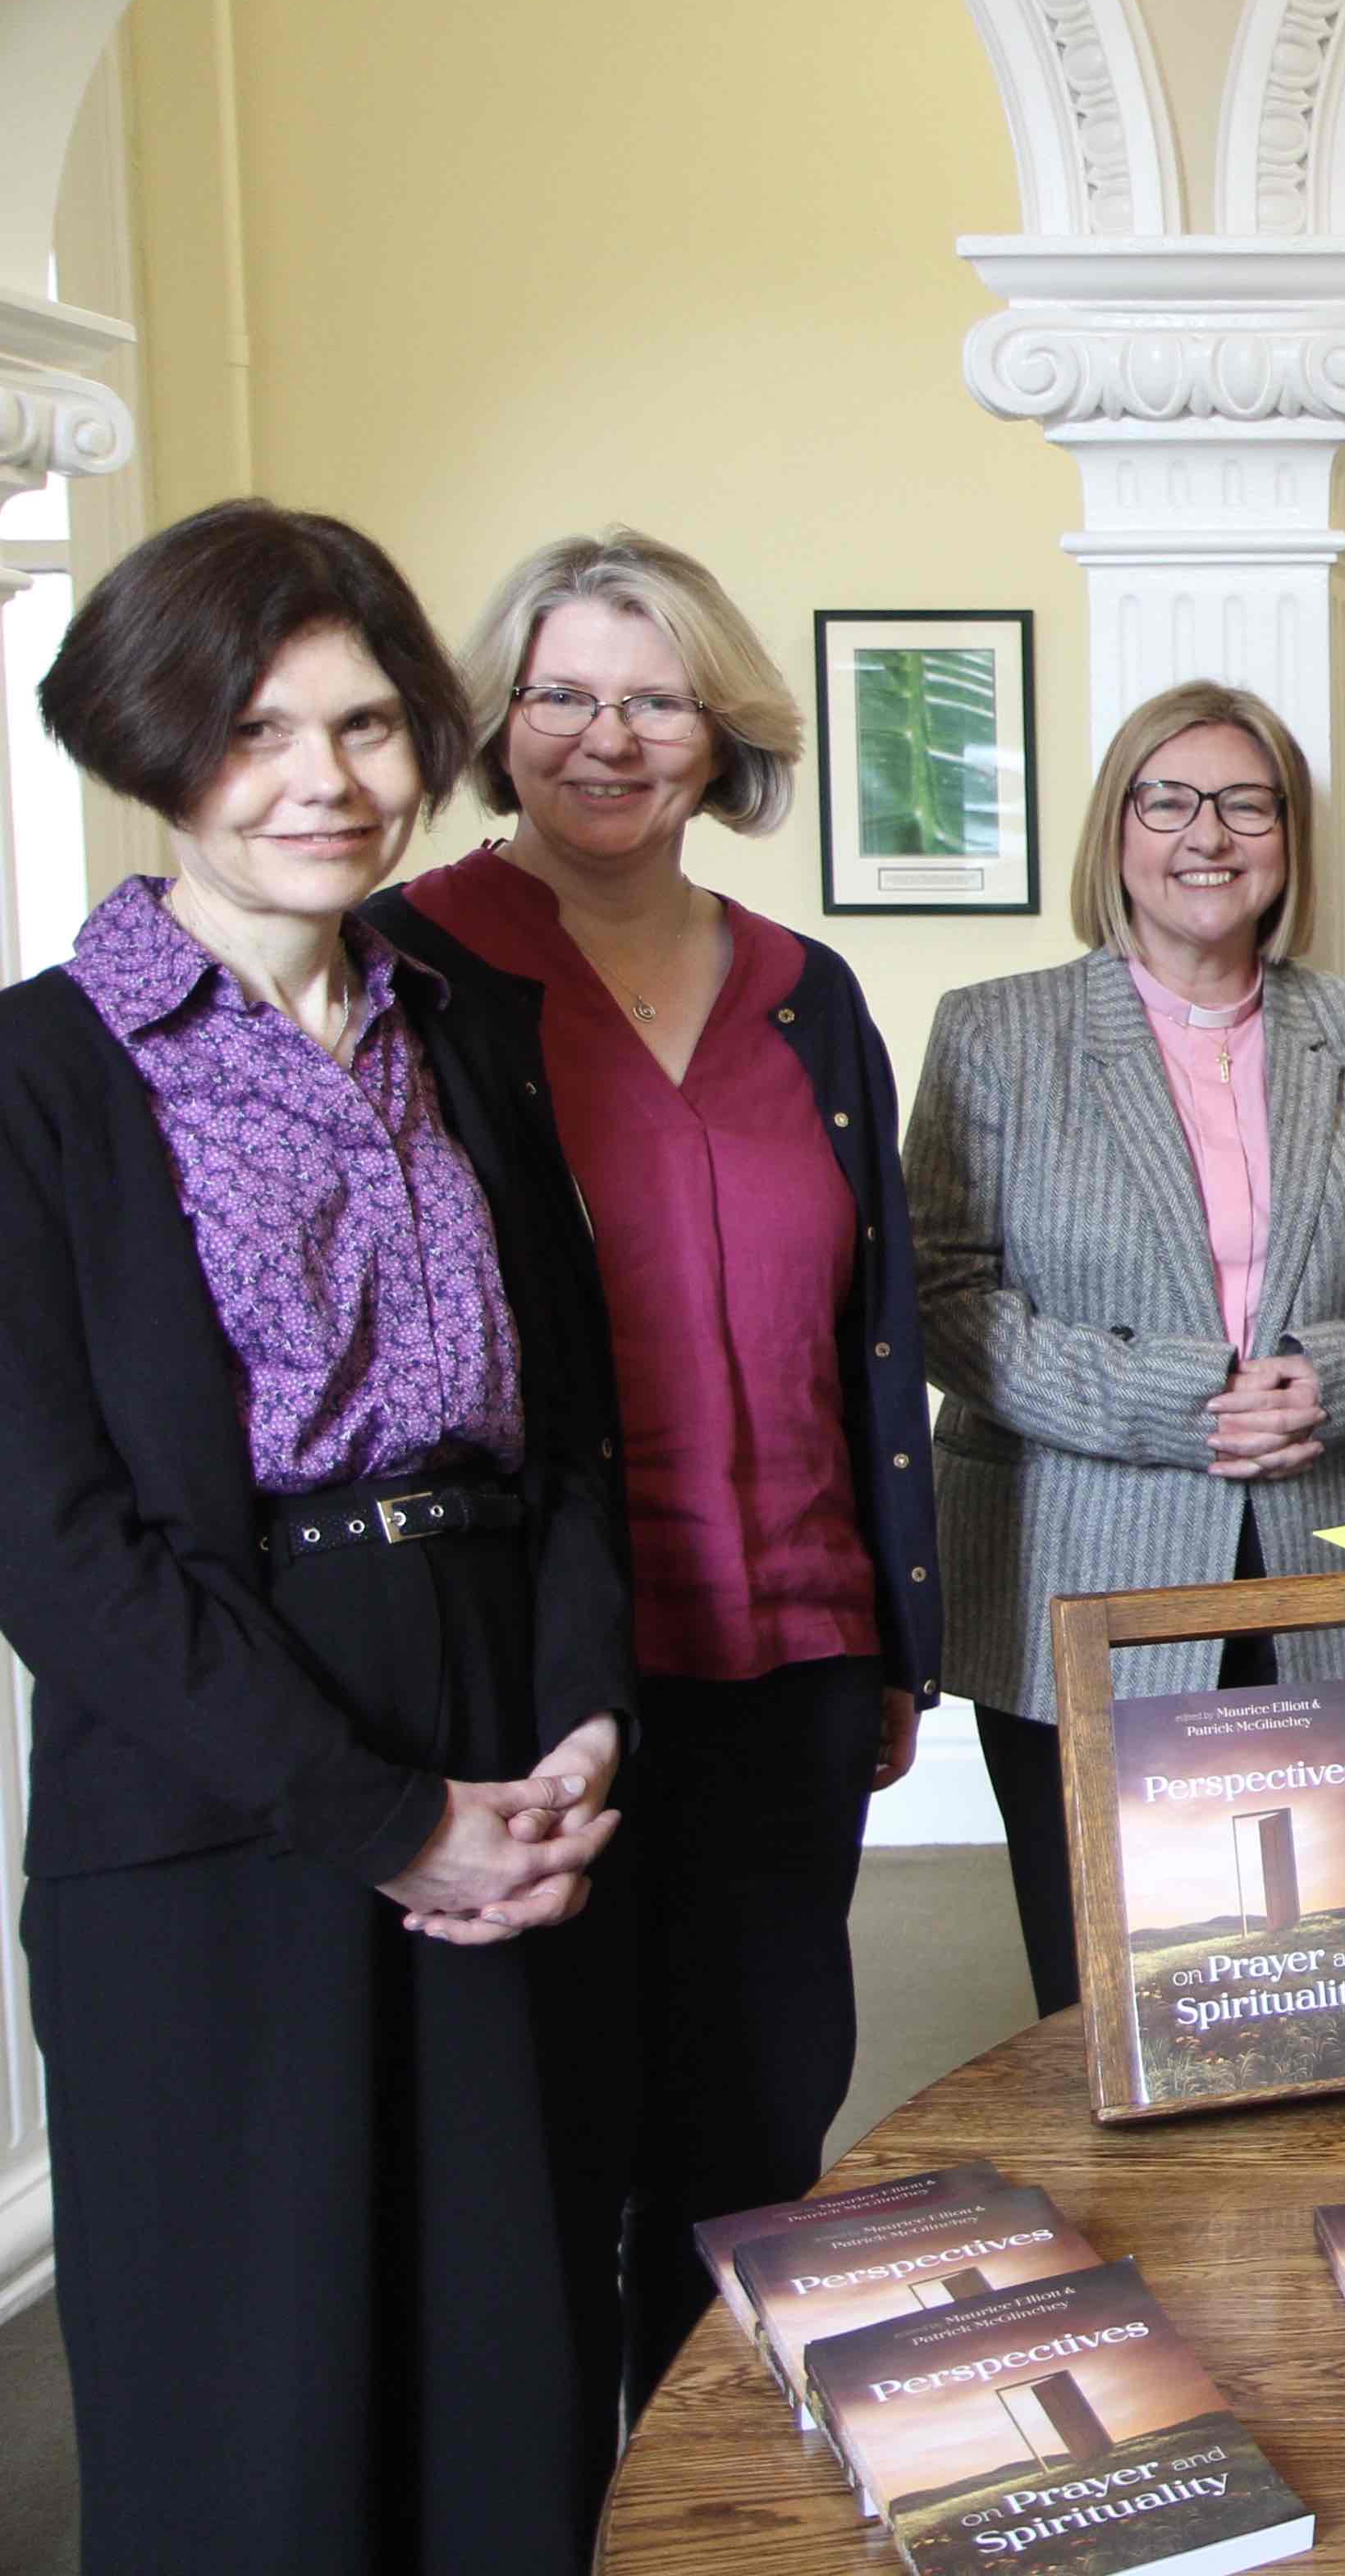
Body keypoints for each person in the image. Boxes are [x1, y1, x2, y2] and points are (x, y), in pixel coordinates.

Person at [0, 500, 630, 2570]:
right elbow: (57, 1548)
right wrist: (384, 1818)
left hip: (499, 1745)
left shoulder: (462, 1025)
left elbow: (568, 1435)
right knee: (251, 2413)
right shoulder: (33, 1077)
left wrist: (572, 1733)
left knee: (505, 2377)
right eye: (257, 732)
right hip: (217, 1788)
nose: (325, 784)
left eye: (366, 728)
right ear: (151, 747)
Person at [367, 528, 941, 2418]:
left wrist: (900, 1639)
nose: (607, 739)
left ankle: (718, 2509)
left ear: (722, 731)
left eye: (655, 697)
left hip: (793, 1650)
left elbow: (881, 1331)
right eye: (561, 696)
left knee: (759, 2133)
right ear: (495, 719)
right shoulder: (409, 974)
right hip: (537, 1679)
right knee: (550, 2139)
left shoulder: (806, 992)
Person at [909, 680, 1345, 2015]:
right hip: (1080, 1565)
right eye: (1167, 799)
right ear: (1114, 830)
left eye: (1247, 802)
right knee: (1103, 1990)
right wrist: (1173, 1401)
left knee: (1316, 1972)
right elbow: (941, 1294)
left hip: (1330, 1558)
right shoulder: (996, 1034)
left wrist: (1340, 1381)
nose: (1208, 834)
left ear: (1288, 836)